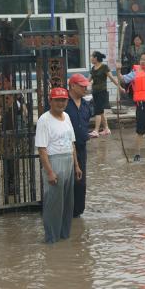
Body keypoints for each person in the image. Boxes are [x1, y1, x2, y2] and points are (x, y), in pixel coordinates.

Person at [35, 88, 83, 244]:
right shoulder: (44, 120)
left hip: (68, 160)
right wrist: (49, 172)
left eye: (63, 100)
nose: (61, 103)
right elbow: (42, 149)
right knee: (53, 203)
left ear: (67, 102)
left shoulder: (67, 117)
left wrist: (76, 166)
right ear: (51, 101)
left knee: (67, 204)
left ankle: (64, 236)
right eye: (57, 100)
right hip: (54, 162)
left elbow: (72, 143)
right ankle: (51, 238)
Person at [65, 74, 92, 218]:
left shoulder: (86, 104)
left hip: (81, 147)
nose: (85, 88)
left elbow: (87, 121)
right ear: (73, 86)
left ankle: (78, 212)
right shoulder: (63, 103)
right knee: (65, 179)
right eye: (82, 86)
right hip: (64, 147)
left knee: (80, 181)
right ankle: (65, 210)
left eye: (85, 85)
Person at [88, 51, 125, 138]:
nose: (91, 58)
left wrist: (120, 88)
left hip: (102, 92)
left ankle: (96, 131)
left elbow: (112, 78)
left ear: (96, 58)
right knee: (101, 112)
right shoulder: (93, 68)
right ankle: (106, 129)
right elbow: (88, 81)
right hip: (95, 92)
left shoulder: (104, 67)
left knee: (98, 111)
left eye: (91, 57)